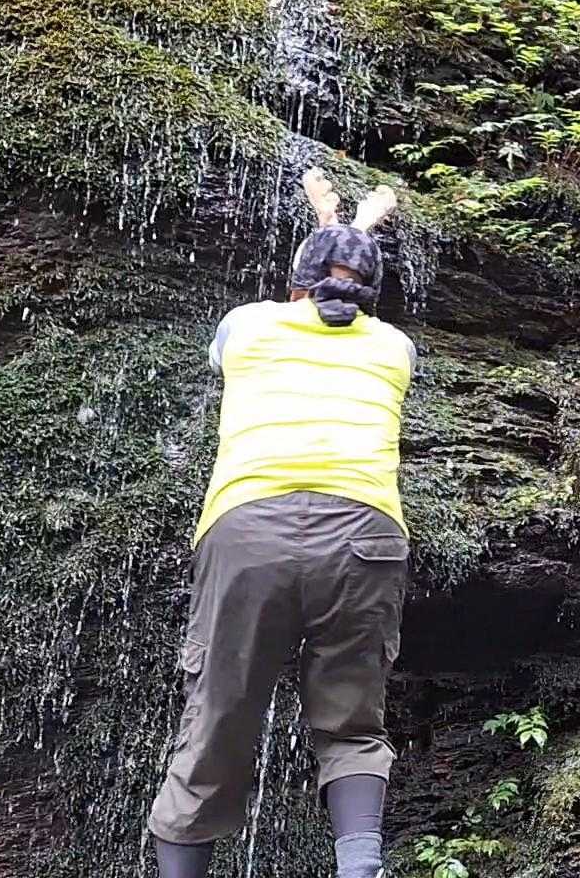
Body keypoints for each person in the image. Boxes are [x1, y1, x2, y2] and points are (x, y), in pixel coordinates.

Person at [148, 168, 416, 878]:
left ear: (295, 281)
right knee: (352, 724)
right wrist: (353, 229)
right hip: (366, 535)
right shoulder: (394, 348)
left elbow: (305, 298)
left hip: (250, 532)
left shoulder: (247, 327)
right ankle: (359, 866)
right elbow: (340, 294)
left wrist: (328, 224)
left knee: (217, 720)